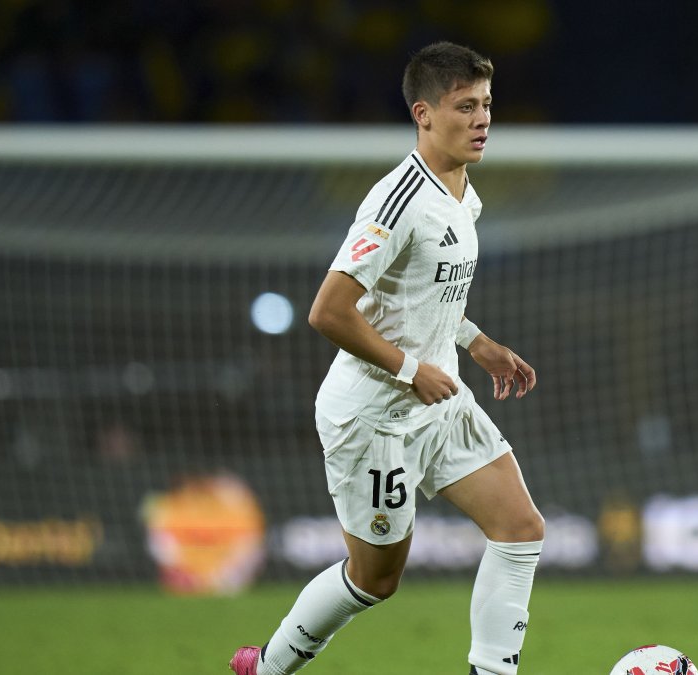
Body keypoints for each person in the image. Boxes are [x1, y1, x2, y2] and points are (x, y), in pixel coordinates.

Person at [229, 42, 543, 675]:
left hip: (439, 398)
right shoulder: (397, 201)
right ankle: (265, 668)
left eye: (486, 104)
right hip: (373, 416)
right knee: (376, 580)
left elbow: (424, 301)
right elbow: (329, 311)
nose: (482, 119)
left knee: (520, 529)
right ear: (423, 114)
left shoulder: (463, 191)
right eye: (465, 106)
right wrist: (407, 369)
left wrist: (476, 342)